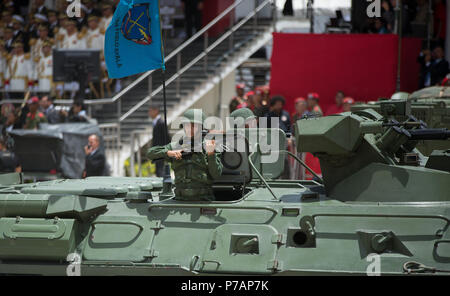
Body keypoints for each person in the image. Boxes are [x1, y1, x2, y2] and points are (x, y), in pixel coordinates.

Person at [147, 109, 223, 201]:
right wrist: (168, 153)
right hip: (180, 201)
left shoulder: (210, 145)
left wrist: (211, 155)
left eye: (194, 126)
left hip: (204, 201)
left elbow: (216, 175)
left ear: (201, 127)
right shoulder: (176, 146)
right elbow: (150, 153)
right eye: (187, 125)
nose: (189, 129)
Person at [148, 104, 170, 177]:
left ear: (156, 111)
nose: (149, 113)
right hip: (157, 150)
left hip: (161, 149)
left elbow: (166, 136)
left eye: (151, 111)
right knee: (158, 168)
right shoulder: (155, 122)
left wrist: (166, 149)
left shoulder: (161, 122)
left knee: (160, 169)